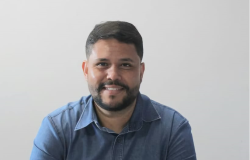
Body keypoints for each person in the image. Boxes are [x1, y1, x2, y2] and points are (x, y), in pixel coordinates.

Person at [30, 21, 196, 160]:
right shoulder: (57, 128)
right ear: (86, 70)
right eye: (102, 64)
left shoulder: (173, 128)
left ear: (141, 71)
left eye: (125, 65)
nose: (113, 75)